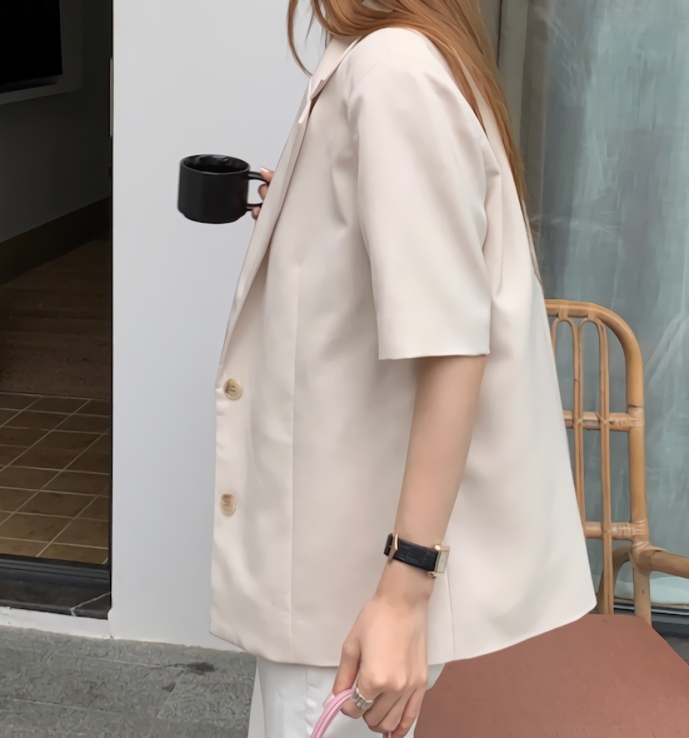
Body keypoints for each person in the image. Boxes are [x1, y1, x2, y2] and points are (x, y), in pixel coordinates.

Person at [210, 1, 597, 736]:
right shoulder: (400, 55)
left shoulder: (394, 69)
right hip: (338, 564)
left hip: (346, 585)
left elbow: (453, 347)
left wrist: (403, 591)